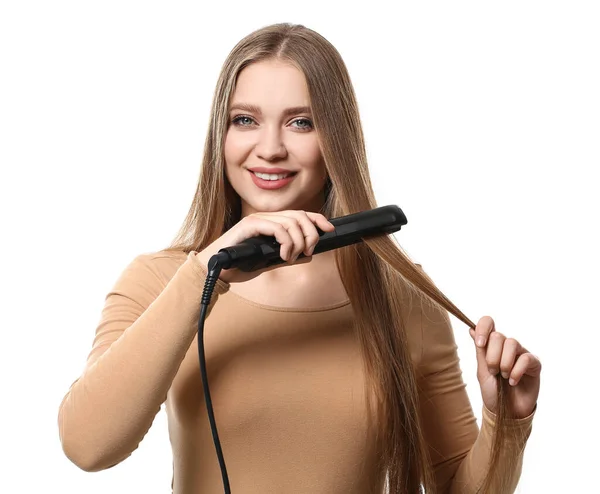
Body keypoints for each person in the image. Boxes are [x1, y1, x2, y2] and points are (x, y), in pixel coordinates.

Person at [57, 23, 541, 493]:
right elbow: (87, 446)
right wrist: (204, 275)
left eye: (301, 122)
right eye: (245, 120)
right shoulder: (159, 280)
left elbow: (456, 487)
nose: (269, 149)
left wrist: (507, 422)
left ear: (337, 141)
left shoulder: (401, 293)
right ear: (219, 137)